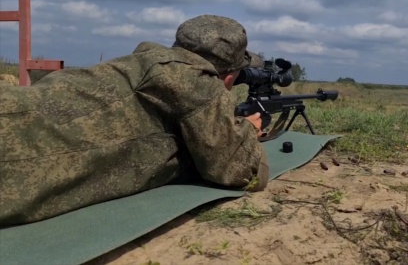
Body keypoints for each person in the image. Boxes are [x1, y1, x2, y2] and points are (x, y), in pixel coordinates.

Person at [0, 14, 270, 227]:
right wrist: (248, 130)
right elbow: (236, 170)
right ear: (228, 75)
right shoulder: (196, 80)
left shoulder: (137, 62)